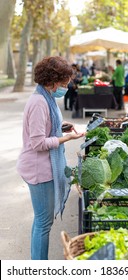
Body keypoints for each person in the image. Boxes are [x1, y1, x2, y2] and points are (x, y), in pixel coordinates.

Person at [16, 56, 85, 260]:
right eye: (64, 82)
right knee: (44, 222)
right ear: (52, 81)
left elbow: (49, 125)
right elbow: (37, 143)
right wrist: (66, 138)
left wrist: (64, 127)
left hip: (43, 167)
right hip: (39, 170)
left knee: (40, 221)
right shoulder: (39, 102)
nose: (67, 86)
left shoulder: (46, 97)